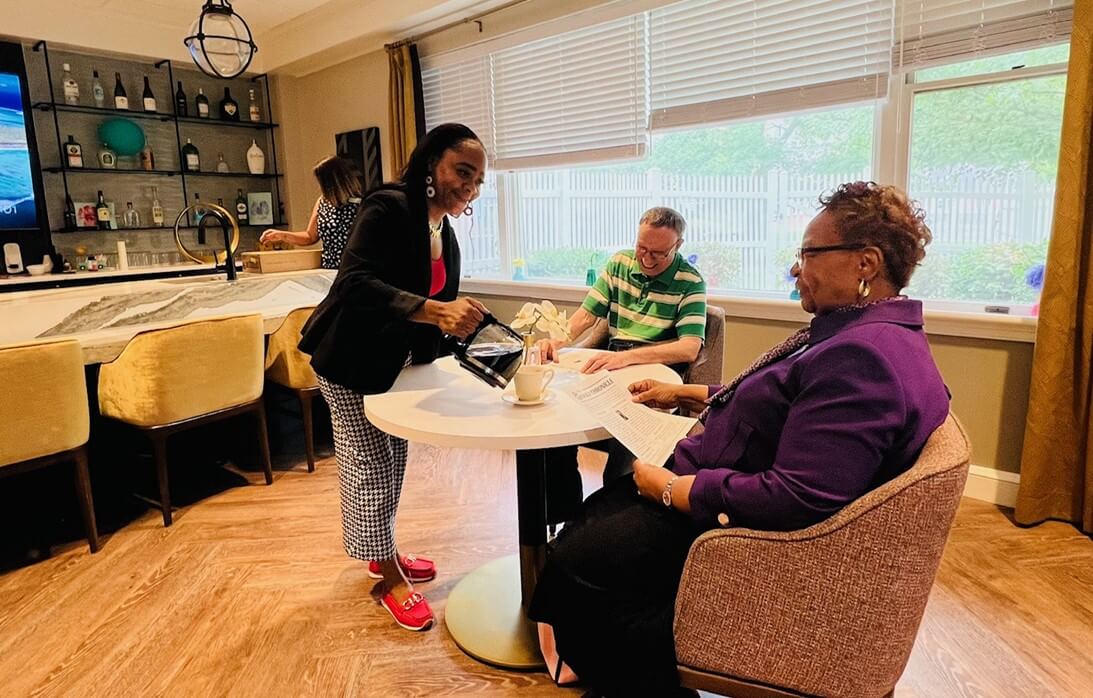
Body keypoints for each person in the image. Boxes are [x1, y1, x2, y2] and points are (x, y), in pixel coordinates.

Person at [529, 181, 951, 696]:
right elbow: (789, 401)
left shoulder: (861, 359)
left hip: (729, 520)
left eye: (808, 253)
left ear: (866, 263)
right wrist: (688, 393)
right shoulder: (872, 334)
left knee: (575, 559)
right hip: (712, 470)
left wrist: (670, 490)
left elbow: (799, 494)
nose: (797, 268)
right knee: (586, 527)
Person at [298, 124, 488, 632]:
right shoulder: (385, 208)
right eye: (461, 172)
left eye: (477, 181)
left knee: (393, 458)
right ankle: (387, 578)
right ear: (430, 164)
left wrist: (472, 336)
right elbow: (355, 283)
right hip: (348, 358)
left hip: (392, 363)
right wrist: (434, 310)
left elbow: (439, 311)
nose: (469, 187)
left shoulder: (441, 231)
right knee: (370, 464)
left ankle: (385, 554)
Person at [538, 206, 707, 375]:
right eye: (641, 248)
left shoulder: (691, 282)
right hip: (614, 362)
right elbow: (586, 316)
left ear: (678, 245)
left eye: (658, 253)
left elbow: (689, 348)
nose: (647, 259)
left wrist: (626, 357)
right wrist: (555, 342)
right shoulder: (620, 263)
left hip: (656, 368)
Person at [259, 156, 364, 269]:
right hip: (329, 269)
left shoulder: (361, 205)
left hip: (355, 270)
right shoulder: (322, 202)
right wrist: (282, 235)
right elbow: (310, 236)